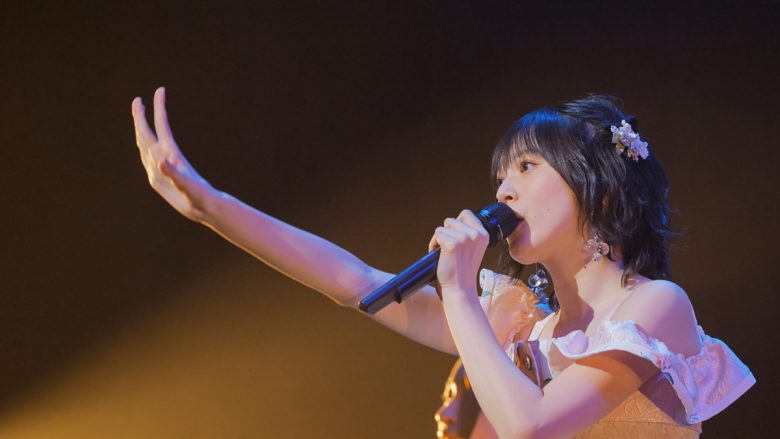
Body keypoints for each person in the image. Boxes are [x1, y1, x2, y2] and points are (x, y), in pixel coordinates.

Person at [132, 88, 754, 438]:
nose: (503, 190)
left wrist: (458, 293)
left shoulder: (654, 306)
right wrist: (212, 207)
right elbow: (356, 283)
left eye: (526, 167)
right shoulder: (522, 322)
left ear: (599, 189)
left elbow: (532, 428)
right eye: (500, 175)